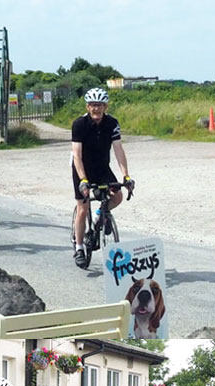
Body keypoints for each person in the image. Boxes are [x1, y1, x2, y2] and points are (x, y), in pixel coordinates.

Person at [70, 88, 133, 269]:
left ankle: (99, 217)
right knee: (83, 208)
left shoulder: (112, 123)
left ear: (105, 106)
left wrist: (126, 175)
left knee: (118, 196)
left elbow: (118, 149)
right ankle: (80, 247)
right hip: (82, 167)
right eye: (92, 105)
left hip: (102, 167)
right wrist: (83, 180)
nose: (96, 109)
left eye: (99, 105)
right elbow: (76, 155)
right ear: (87, 106)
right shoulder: (79, 124)